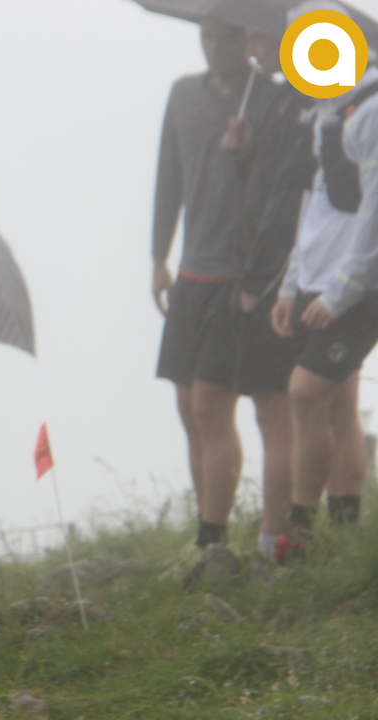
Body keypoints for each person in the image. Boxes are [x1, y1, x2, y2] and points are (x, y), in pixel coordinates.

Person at [152, 19, 263, 548]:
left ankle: (212, 538)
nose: (216, 48)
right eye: (208, 36)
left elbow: (282, 185)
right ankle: (206, 526)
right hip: (191, 269)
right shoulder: (182, 94)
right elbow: (168, 178)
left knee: (211, 406)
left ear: (248, 37)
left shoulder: (267, 96)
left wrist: (247, 154)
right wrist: (158, 257)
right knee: (185, 407)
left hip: (240, 271)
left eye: (228, 37)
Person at [271, 60, 378, 559]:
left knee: (305, 393)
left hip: (357, 286)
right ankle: (347, 531)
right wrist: (292, 282)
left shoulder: (371, 110)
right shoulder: (328, 110)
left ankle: (301, 530)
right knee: (337, 402)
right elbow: (316, 202)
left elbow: (375, 211)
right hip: (317, 280)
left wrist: (341, 292)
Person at [219, 28, 315, 558]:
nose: (252, 50)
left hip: (278, 279)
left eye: (260, 38)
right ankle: (293, 528)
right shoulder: (285, 100)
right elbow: (269, 187)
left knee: (275, 411)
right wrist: (243, 155)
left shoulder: (302, 103)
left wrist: (259, 282)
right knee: (288, 409)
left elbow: (288, 202)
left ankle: (275, 534)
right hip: (279, 271)